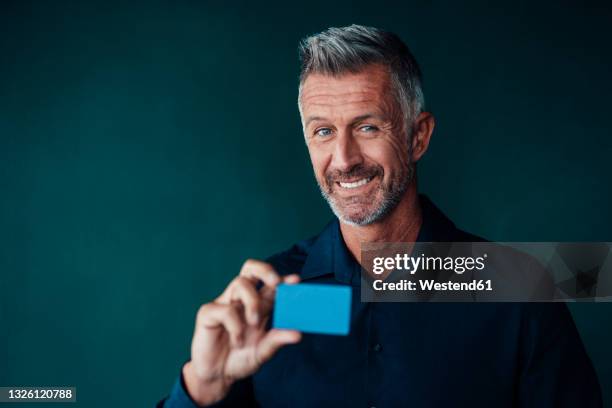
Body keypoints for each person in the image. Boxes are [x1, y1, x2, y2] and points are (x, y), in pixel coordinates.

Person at [159, 25, 601, 407]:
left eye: (367, 127)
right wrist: (202, 388)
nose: (344, 158)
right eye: (324, 132)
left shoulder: (519, 292)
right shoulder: (268, 302)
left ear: (418, 136)